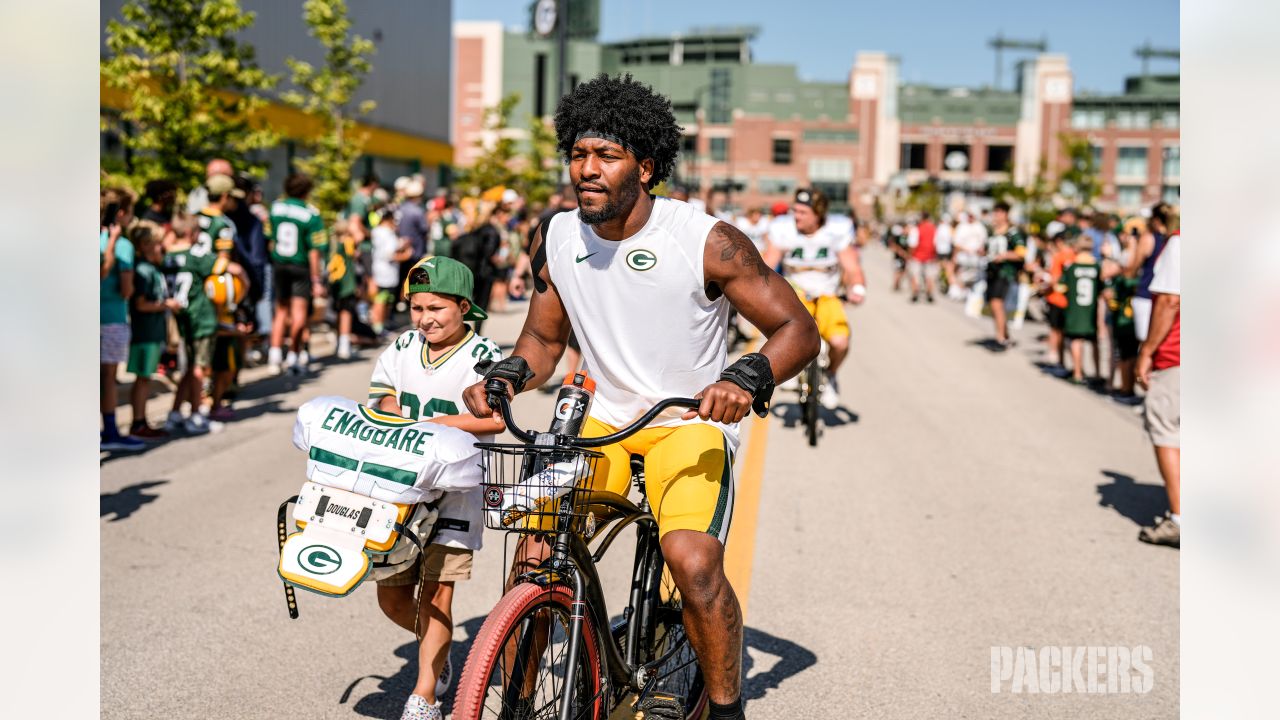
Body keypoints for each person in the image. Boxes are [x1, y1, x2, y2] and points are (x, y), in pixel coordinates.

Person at [462, 74, 819, 720]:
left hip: (686, 422)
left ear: (646, 167)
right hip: (600, 418)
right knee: (537, 553)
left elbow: (797, 328)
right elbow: (543, 340)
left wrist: (745, 378)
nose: (586, 169)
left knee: (692, 561)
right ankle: (512, 699)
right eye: (578, 154)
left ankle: (726, 707)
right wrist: (510, 375)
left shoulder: (705, 240)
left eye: (606, 155)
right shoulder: (559, 237)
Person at [367, 256, 504, 720]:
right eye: (417, 307)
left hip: (455, 492)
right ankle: (437, 649)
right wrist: (392, 413)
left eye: (437, 308)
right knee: (391, 596)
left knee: (437, 593)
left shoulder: (484, 355)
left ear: (464, 306)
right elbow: (381, 393)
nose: (425, 318)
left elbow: (495, 417)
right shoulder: (406, 344)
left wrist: (433, 424)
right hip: (401, 488)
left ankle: (425, 692)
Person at [763, 187, 866, 409]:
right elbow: (768, 264)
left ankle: (830, 375)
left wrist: (857, 287)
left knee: (840, 342)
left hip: (827, 294)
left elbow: (852, 266)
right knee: (788, 336)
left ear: (818, 214)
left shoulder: (836, 230)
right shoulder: (784, 229)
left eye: (802, 212)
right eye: (795, 210)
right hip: (795, 294)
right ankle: (791, 371)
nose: (796, 216)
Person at [163, 214, 239, 435]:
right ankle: (196, 415)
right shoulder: (196, 254)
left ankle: (175, 413)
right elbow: (220, 267)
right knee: (200, 368)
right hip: (201, 317)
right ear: (190, 233)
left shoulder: (168, 255)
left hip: (183, 316)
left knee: (189, 369)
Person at [1136, 232, 1180, 548]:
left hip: (1179, 353)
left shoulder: (1183, 242)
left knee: (1166, 429)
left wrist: (1148, 350)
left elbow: (1169, 299)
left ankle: (1180, 519)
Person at [266, 173, 328, 375]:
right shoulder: (311, 214)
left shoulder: (275, 207)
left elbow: (270, 238)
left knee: (281, 309)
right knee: (299, 312)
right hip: (299, 265)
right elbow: (314, 250)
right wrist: (316, 278)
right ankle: (293, 355)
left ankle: (274, 355)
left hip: (279, 263)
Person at [101, 187, 145, 452]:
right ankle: (110, 430)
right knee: (108, 377)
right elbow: (126, 289)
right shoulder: (122, 245)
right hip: (112, 317)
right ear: (120, 214)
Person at [126, 222, 178, 440]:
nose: (161, 249)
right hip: (144, 333)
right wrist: (167, 305)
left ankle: (141, 420)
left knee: (146, 377)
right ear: (145, 246)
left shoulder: (153, 268)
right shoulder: (142, 270)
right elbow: (140, 304)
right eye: (157, 245)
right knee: (143, 378)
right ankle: (138, 422)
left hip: (154, 332)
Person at [1056, 236, 1103, 384]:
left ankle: (1077, 373)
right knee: (1094, 342)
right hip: (1091, 310)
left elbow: (1061, 286)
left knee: (1076, 341)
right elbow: (1103, 289)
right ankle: (1097, 373)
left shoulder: (1071, 267)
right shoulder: (1097, 266)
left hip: (1075, 311)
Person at [984, 202, 1027, 349]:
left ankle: (1000, 338)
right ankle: (1005, 334)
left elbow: (1021, 253)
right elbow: (987, 250)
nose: (996, 215)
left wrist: (1005, 255)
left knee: (997, 303)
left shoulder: (1012, 233)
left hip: (1005, 273)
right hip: (991, 272)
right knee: (994, 305)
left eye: (1000, 212)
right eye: (995, 212)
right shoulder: (992, 232)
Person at [1130, 202, 1175, 342]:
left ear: (1155, 219)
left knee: (1145, 344)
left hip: (1147, 295)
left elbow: (1132, 268)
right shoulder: (1174, 239)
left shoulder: (1149, 238)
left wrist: (1132, 246)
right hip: (1170, 297)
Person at [371, 206, 412, 336]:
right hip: (386, 272)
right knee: (382, 300)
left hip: (381, 270)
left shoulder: (377, 231)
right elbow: (389, 254)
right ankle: (378, 326)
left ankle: (381, 325)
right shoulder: (387, 233)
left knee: (384, 299)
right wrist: (405, 256)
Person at [196, 174, 241, 261]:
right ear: (225, 197)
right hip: (213, 272)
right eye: (233, 197)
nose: (235, 201)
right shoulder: (224, 224)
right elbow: (224, 258)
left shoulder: (192, 217)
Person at [907, 210, 938, 303]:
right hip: (930, 256)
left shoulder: (917, 229)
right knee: (930, 276)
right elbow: (936, 243)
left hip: (917, 256)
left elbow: (913, 244)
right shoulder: (934, 228)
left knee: (914, 275)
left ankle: (915, 293)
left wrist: (910, 255)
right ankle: (929, 293)